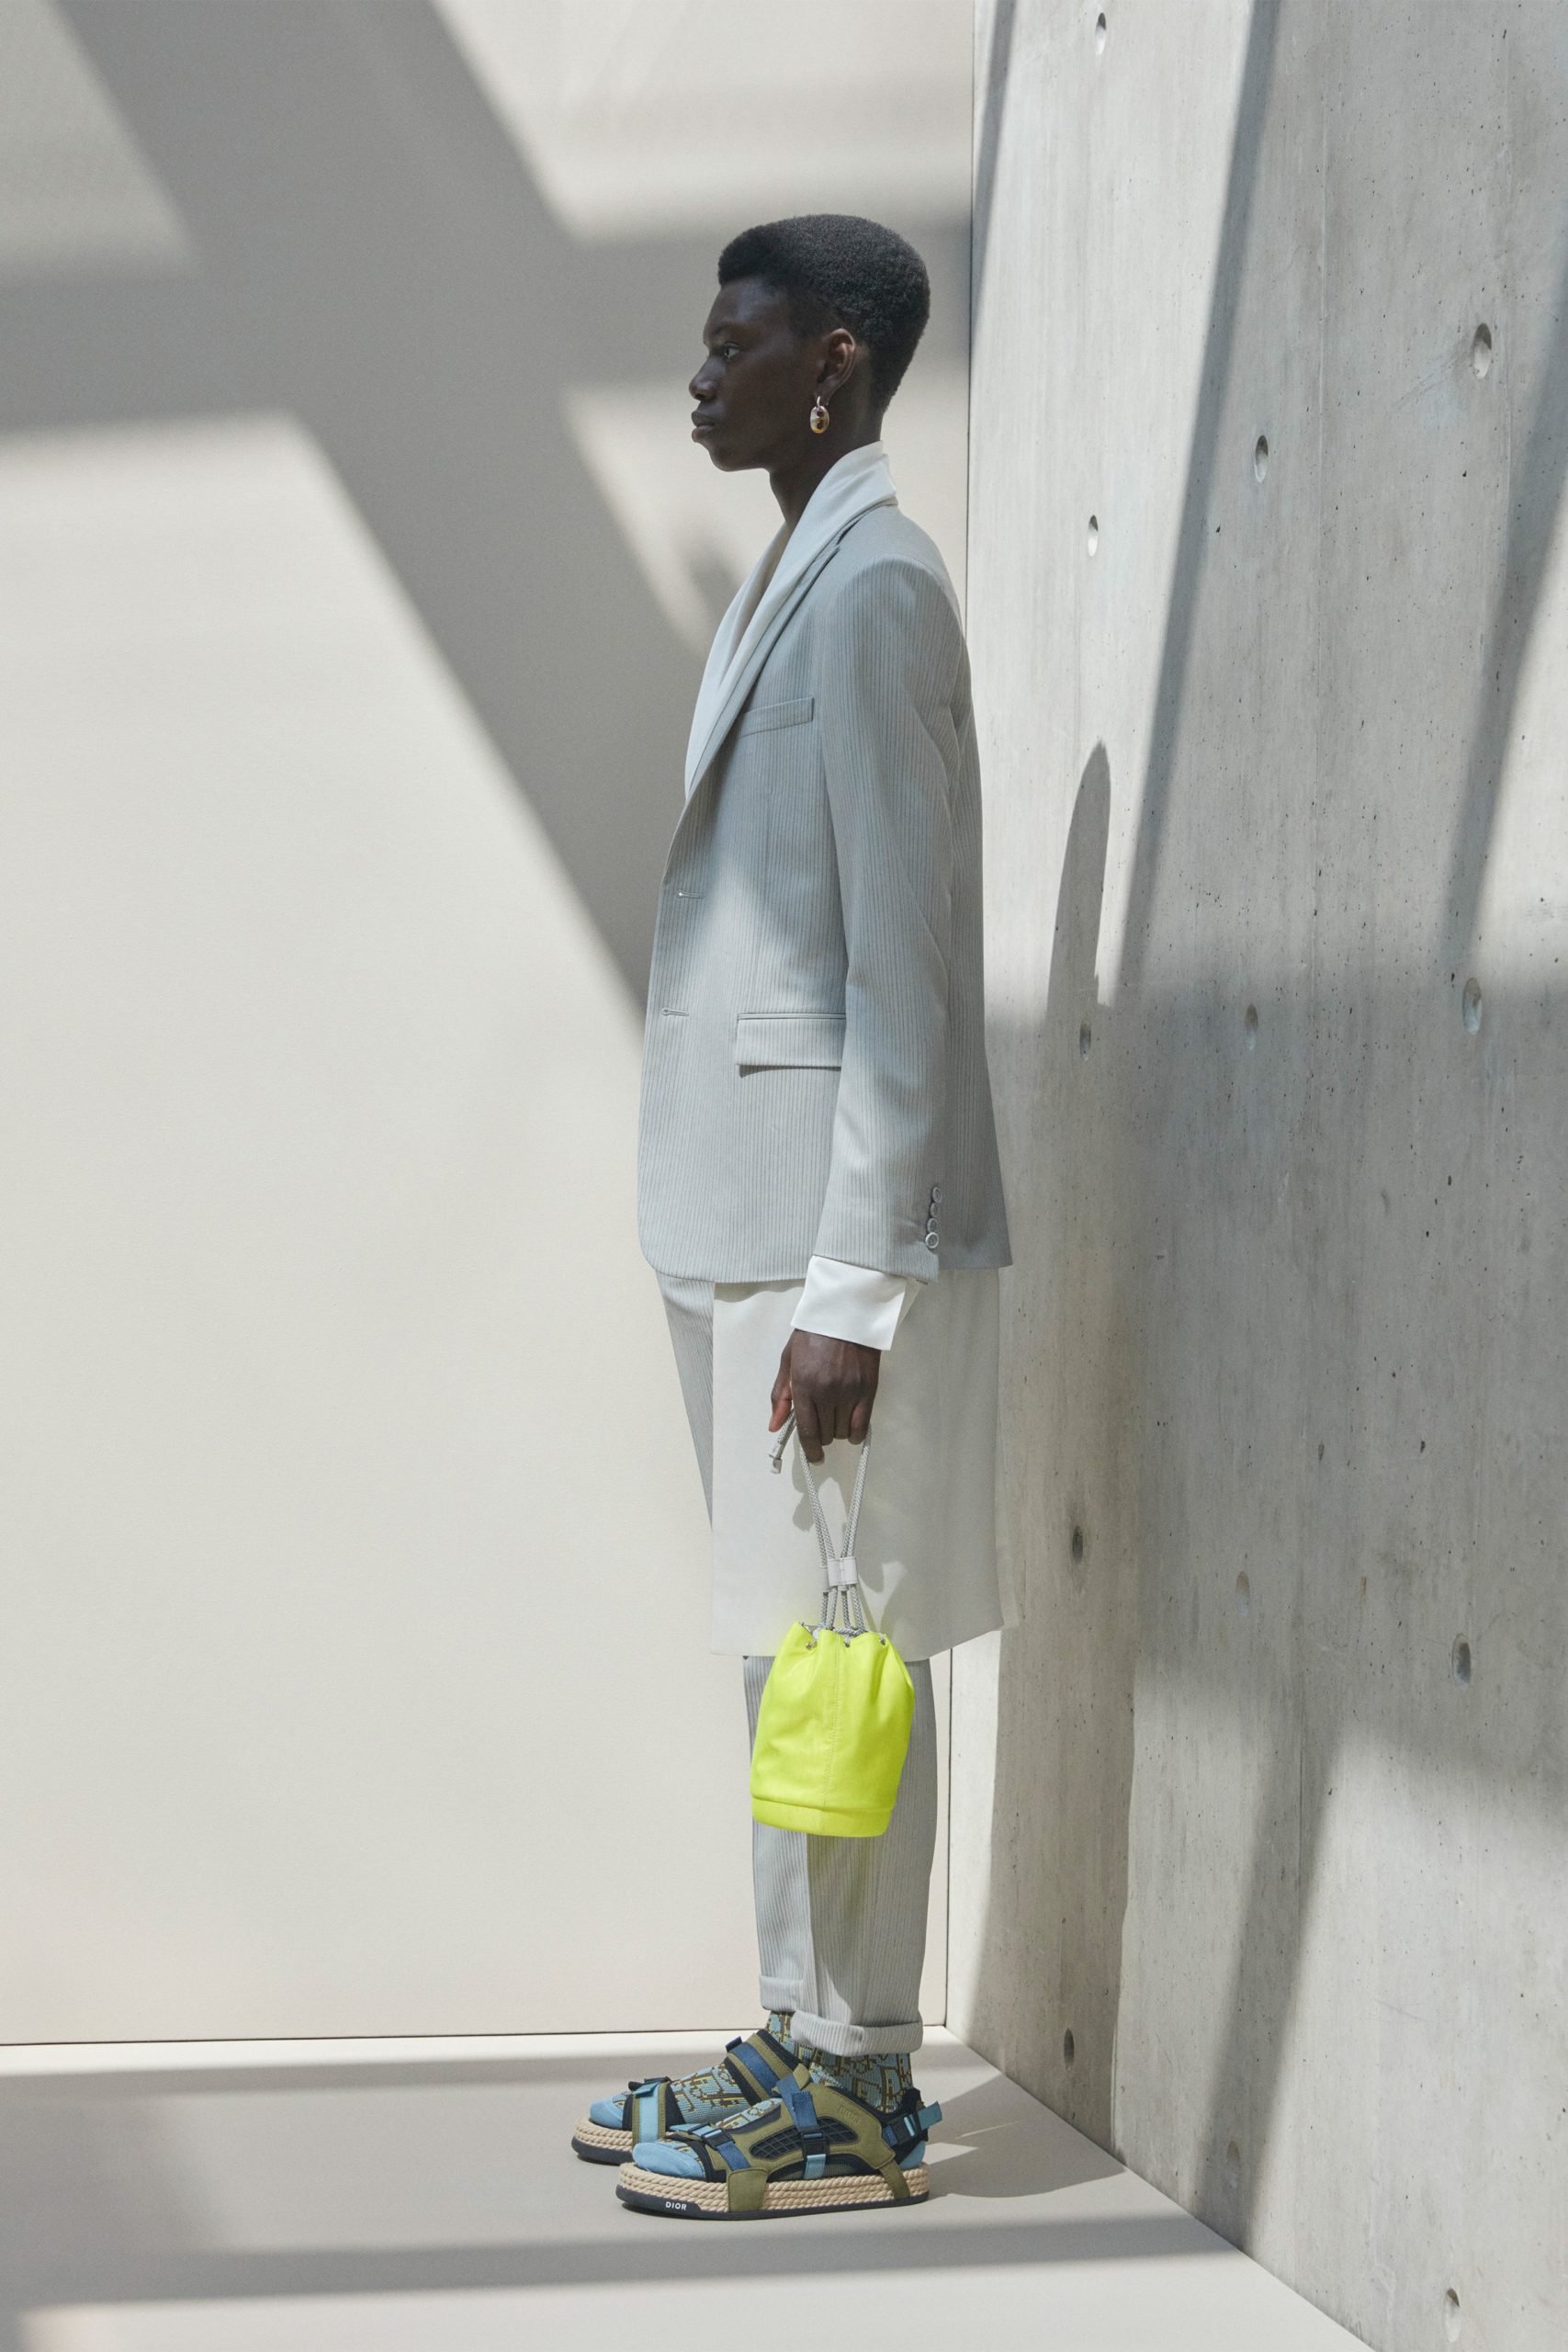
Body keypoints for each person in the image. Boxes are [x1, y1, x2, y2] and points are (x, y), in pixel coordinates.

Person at [572, 213, 1010, 2219]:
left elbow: (906, 973)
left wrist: (855, 1290)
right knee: (785, 1646)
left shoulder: (879, 592)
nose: (698, 374)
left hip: (831, 1248)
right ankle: (797, 2024)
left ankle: (857, 2078)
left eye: (731, 342)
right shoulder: (796, 572)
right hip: (742, 1221)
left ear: (832, 361)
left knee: (849, 1643)